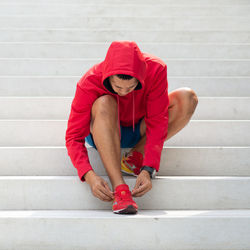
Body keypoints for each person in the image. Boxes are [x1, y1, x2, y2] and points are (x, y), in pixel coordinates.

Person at [65, 40, 198, 214]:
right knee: (105, 102)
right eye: (118, 86)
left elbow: (158, 122)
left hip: (139, 127)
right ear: (108, 76)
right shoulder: (89, 80)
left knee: (187, 98)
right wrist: (89, 175)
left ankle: (135, 157)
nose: (123, 92)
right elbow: (73, 136)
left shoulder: (156, 69)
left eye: (131, 87)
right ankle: (120, 189)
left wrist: (148, 168)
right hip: (103, 129)